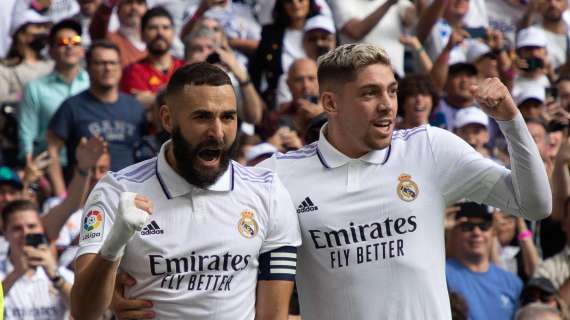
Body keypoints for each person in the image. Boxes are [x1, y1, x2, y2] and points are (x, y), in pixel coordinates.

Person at [257, 43, 550, 319]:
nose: (387, 105)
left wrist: (511, 120)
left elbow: (535, 205)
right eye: (369, 93)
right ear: (331, 103)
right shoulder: (281, 176)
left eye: (392, 91)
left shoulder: (429, 148)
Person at [71, 62, 302, 319]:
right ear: (168, 119)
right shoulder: (117, 191)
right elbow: (83, 312)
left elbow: (273, 316)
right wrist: (114, 245)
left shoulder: (268, 193)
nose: (217, 132)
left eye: (228, 117)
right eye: (202, 116)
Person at [47, 40, 146, 197]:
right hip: (85, 195)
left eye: (112, 63)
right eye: (100, 63)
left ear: (120, 66)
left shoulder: (135, 107)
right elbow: (52, 150)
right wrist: (61, 195)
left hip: (130, 194)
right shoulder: (72, 106)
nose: (107, 68)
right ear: (88, 67)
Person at [17, 19, 89, 164]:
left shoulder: (92, 84)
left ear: (82, 50)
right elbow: (26, 135)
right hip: (49, 166)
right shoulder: (35, 88)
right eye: (62, 42)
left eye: (75, 42)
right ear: (51, 51)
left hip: (89, 168)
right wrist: (31, 168)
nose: (69, 46)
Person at [446, 202, 523, 320]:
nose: (477, 233)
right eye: (468, 227)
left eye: (484, 226)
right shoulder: (441, 276)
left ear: (494, 231)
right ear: (455, 231)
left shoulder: (513, 283)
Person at [1, 199, 74, 320]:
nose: (25, 233)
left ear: (41, 228)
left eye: (31, 226)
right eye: (17, 228)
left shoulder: (61, 274)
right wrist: (15, 274)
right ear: (5, 232)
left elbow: (87, 312)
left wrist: (55, 277)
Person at [120, 6, 184, 108]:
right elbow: (137, 106)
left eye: (165, 27)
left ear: (173, 33)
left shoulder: (185, 68)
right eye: (153, 28)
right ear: (142, 34)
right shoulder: (132, 71)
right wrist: (180, 98)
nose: (160, 33)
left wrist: (153, 98)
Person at [90, 0, 148, 68]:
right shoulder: (109, 39)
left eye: (139, 3)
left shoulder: (155, 42)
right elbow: (99, 23)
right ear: (117, 11)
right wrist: (109, 3)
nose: (134, 7)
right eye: (128, 3)